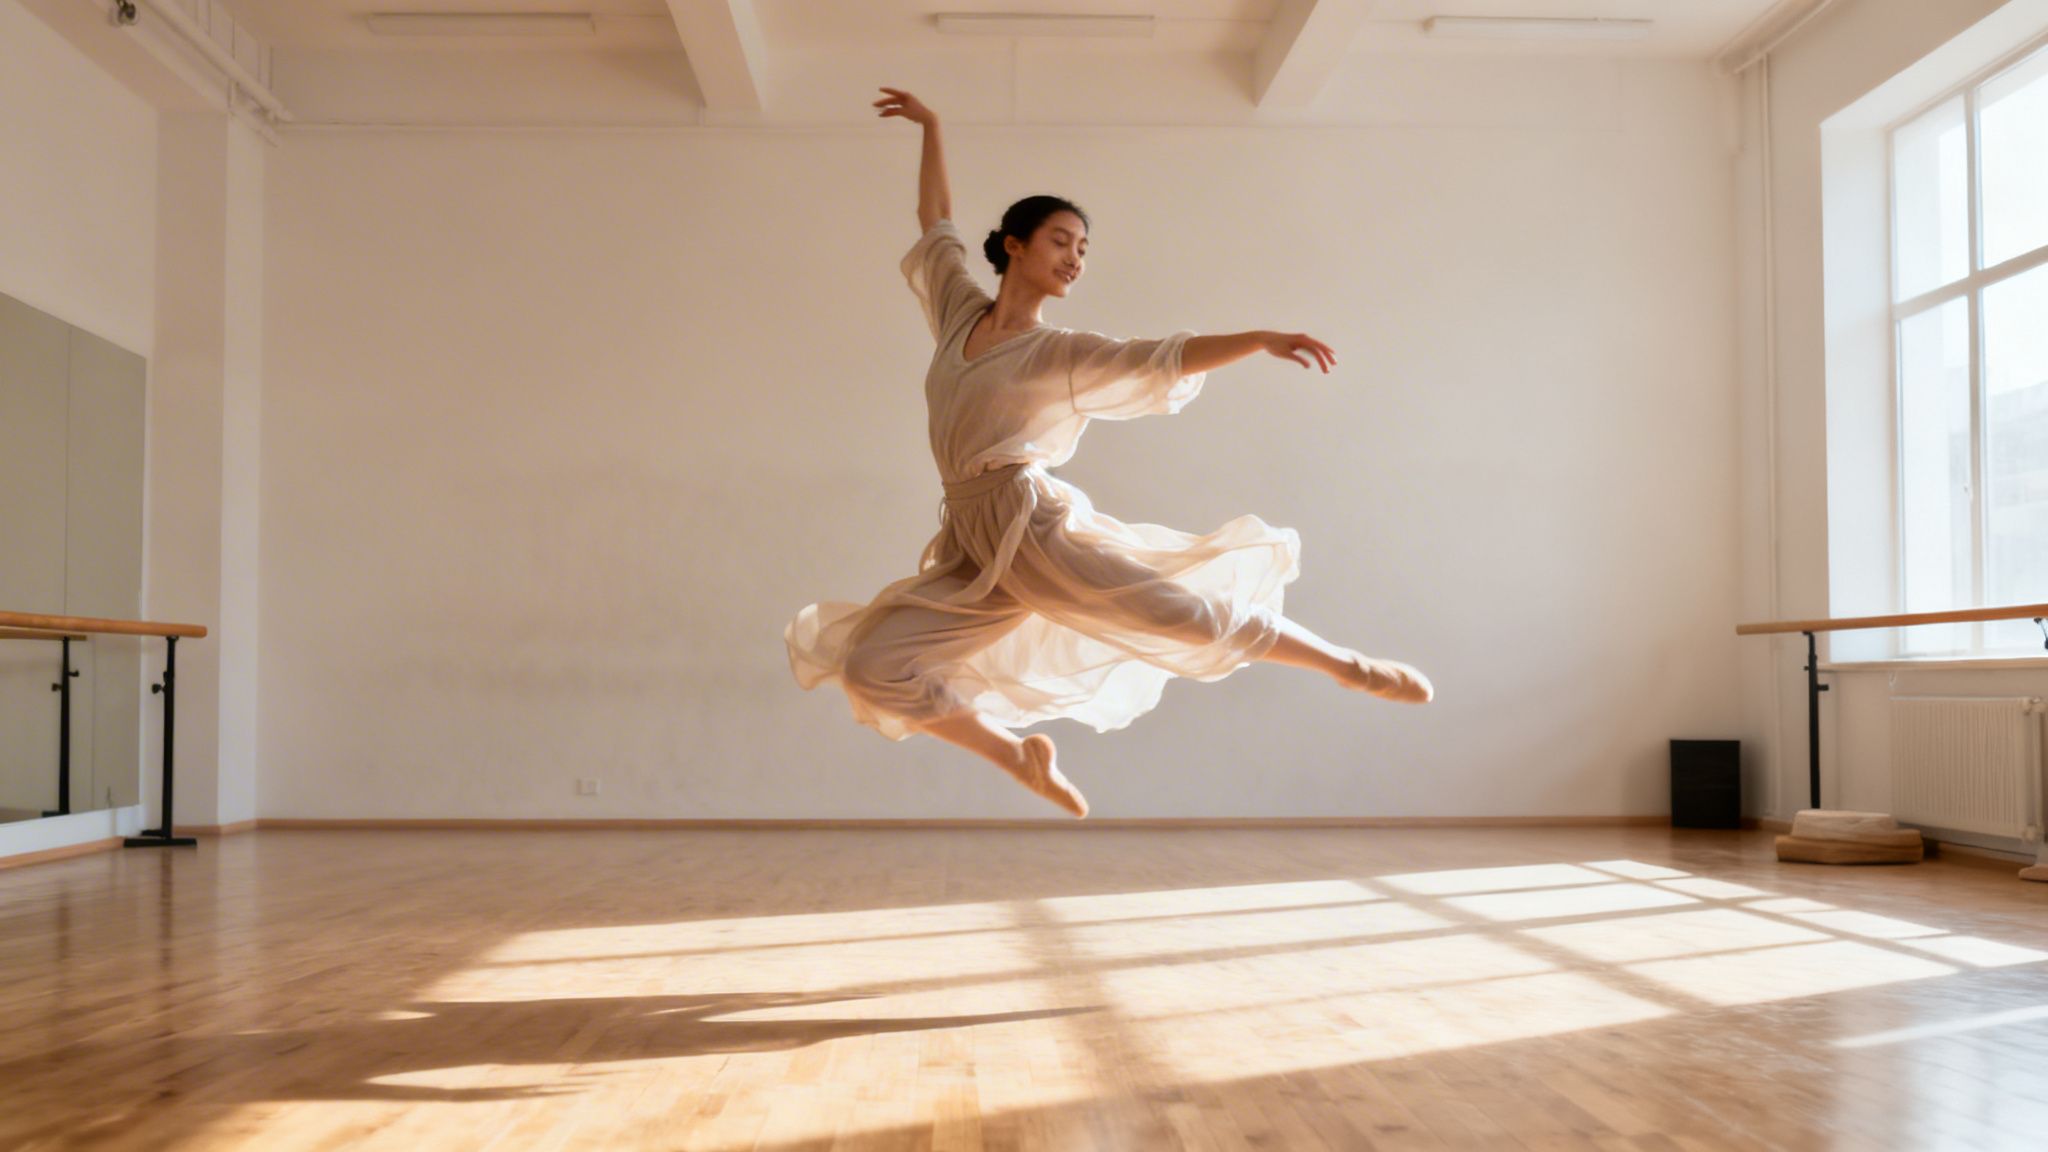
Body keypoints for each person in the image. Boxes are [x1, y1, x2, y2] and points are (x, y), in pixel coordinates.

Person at [785, 88, 1432, 818]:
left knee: (1181, 616)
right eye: (1062, 240)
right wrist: (932, 126)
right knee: (873, 667)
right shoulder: (957, 312)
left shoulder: (1059, 352)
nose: (1075, 258)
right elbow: (935, 222)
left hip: (1032, 527)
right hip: (972, 545)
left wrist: (1255, 339)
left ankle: (1348, 666)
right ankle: (1019, 760)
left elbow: (1163, 356)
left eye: (1084, 249)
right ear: (1014, 246)